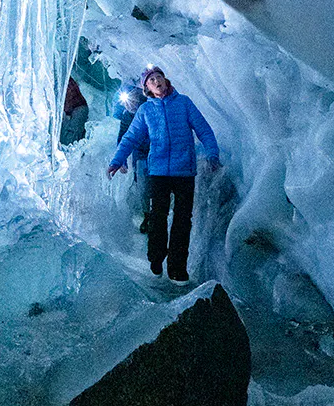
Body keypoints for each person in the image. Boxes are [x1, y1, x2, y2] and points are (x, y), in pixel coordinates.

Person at [107, 67, 221, 283]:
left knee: (182, 220)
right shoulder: (145, 111)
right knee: (158, 217)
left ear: (165, 80)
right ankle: (156, 257)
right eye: (151, 80)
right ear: (147, 89)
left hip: (184, 171)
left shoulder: (184, 103)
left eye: (158, 77)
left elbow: (203, 130)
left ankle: (177, 268)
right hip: (158, 172)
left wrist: (212, 153)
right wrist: (117, 160)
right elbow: (130, 138)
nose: (156, 81)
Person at [116, 86, 150, 232]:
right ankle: (148, 216)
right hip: (140, 155)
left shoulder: (149, 109)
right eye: (125, 103)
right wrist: (121, 161)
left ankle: (159, 214)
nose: (128, 105)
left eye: (131, 101)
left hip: (157, 152)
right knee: (142, 185)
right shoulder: (127, 116)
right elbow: (122, 137)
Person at [59, 77, 89, 146]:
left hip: (79, 108)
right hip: (77, 108)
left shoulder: (62, 79)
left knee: (69, 141)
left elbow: (69, 96)